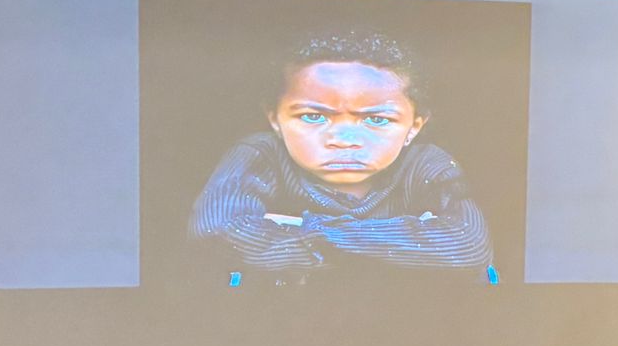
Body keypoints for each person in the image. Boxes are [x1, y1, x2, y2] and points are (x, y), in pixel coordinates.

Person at [190, 29, 494, 273]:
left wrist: (311, 234)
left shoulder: (424, 163)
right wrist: (399, 246)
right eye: (313, 116)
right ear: (275, 119)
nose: (345, 140)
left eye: (377, 120)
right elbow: (217, 234)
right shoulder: (261, 154)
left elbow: (468, 245)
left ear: (414, 127)